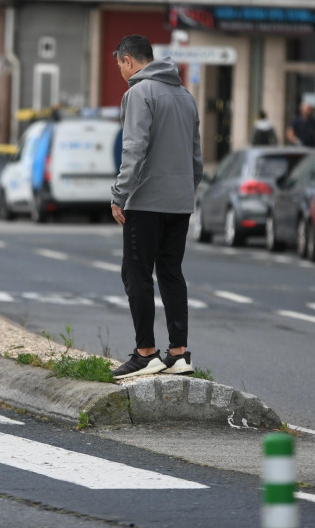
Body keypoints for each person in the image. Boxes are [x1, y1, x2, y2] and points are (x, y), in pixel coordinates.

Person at [109, 35, 203, 380]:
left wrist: (120, 195)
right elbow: (196, 157)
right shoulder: (185, 96)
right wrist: (184, 191)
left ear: (129, 61)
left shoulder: (138, 93)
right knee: (171, 273)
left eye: (120, 64)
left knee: (136, 273)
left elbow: (134, 149)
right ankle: (179, 353)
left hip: (146, 201)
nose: (120, 70)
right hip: (180, 203)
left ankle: (145, 353)